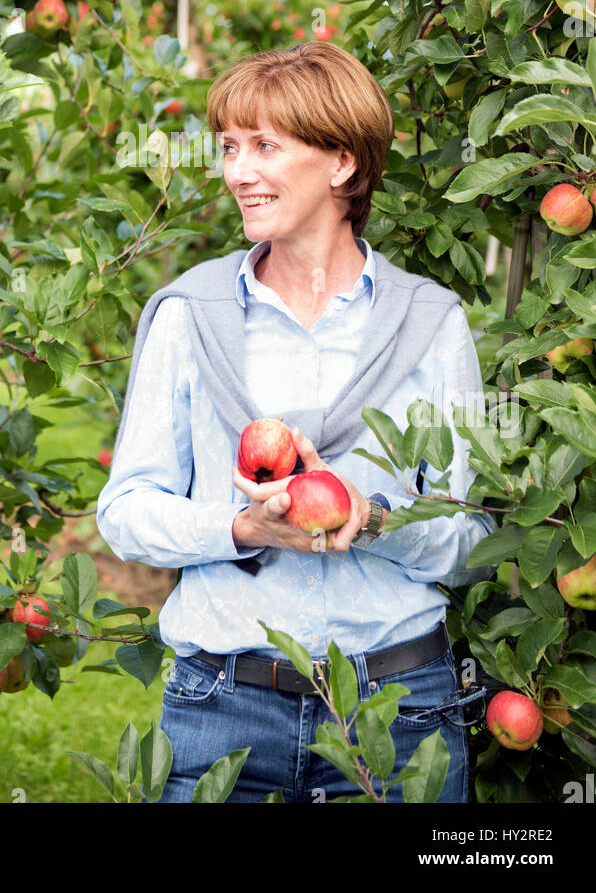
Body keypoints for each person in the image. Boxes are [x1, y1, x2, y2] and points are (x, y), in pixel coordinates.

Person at [96, 42, 492, 803]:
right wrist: (243, 527)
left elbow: (475, 543)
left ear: (342, 162)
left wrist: (374, 519)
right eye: (229, 148)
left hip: (399, 706)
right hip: (222, 705)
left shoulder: (430, 323)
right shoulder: (190, 315)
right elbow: (127, 512)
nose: (237, 172)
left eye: (265, 147)